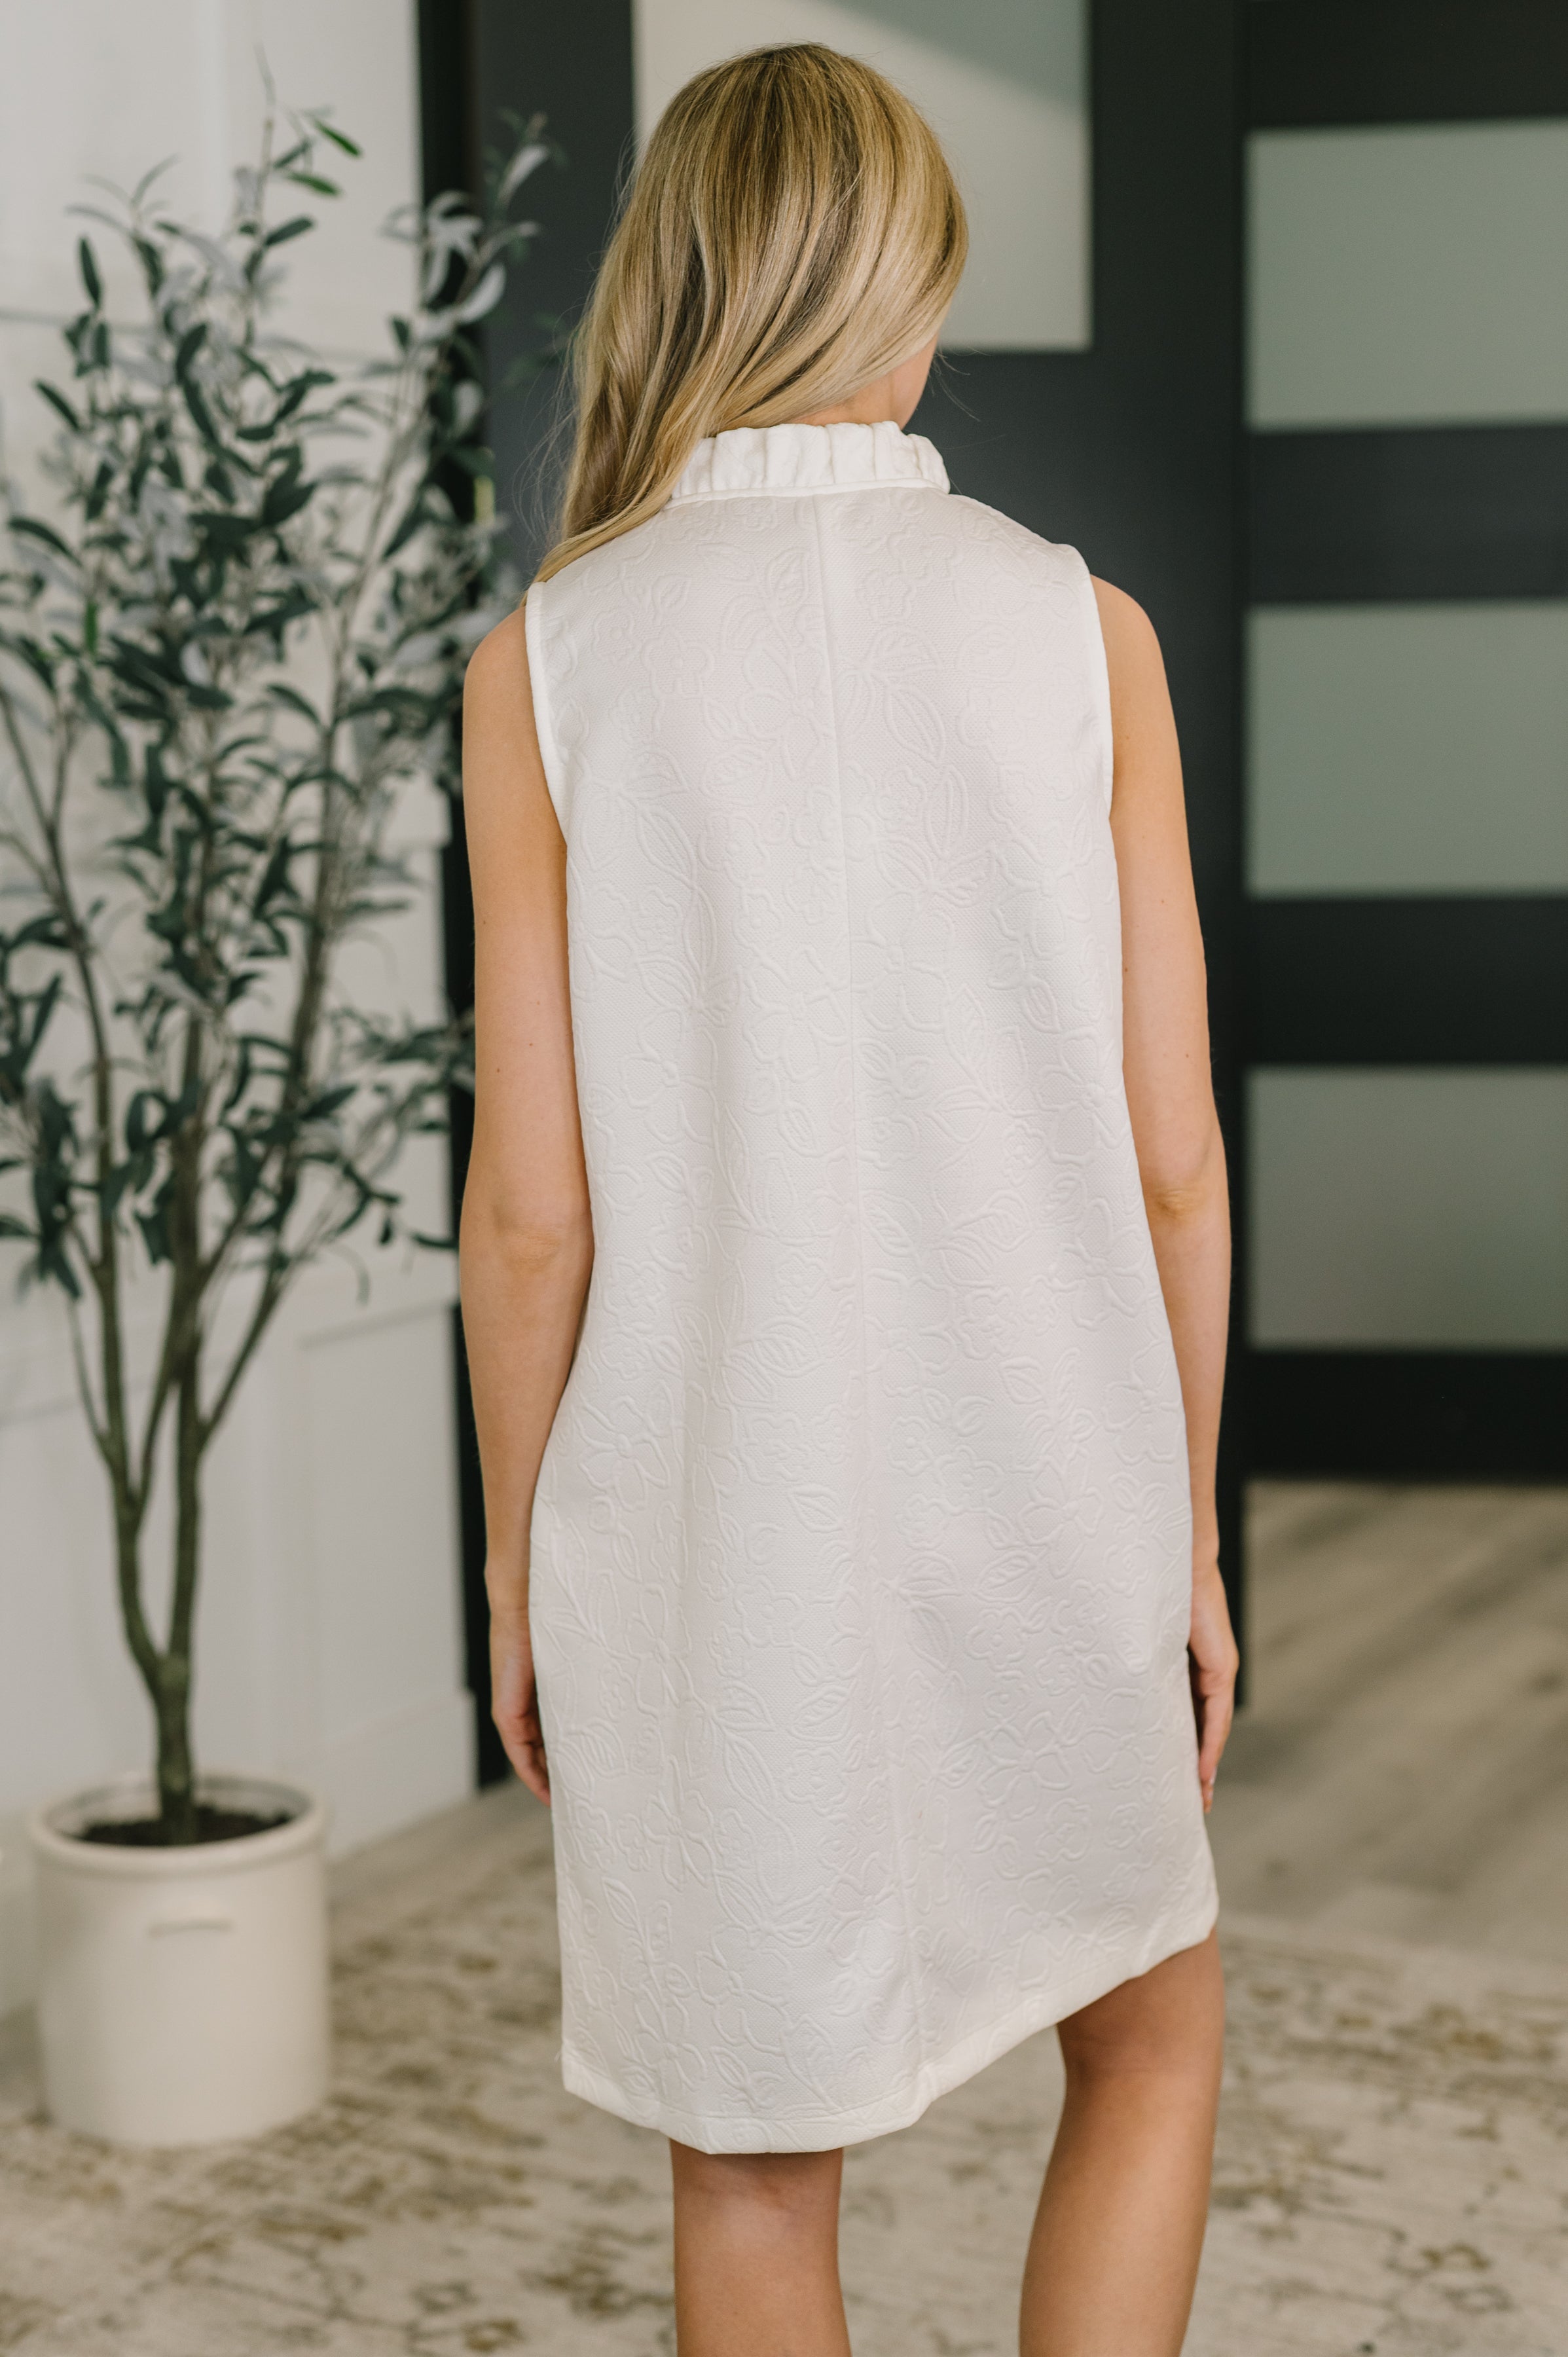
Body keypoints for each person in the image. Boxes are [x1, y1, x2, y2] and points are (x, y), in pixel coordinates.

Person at [458, 41, 1237, 2357]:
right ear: (901, 306)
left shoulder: (548, 666)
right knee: (1151, 2032)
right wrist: (1180, 1533)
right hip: (1054, 1485)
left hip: (712, 1537)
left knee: (753, 2164)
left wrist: (520, 1573)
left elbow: (529, 1222)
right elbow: (1172, 1161)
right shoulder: (1083, 631)